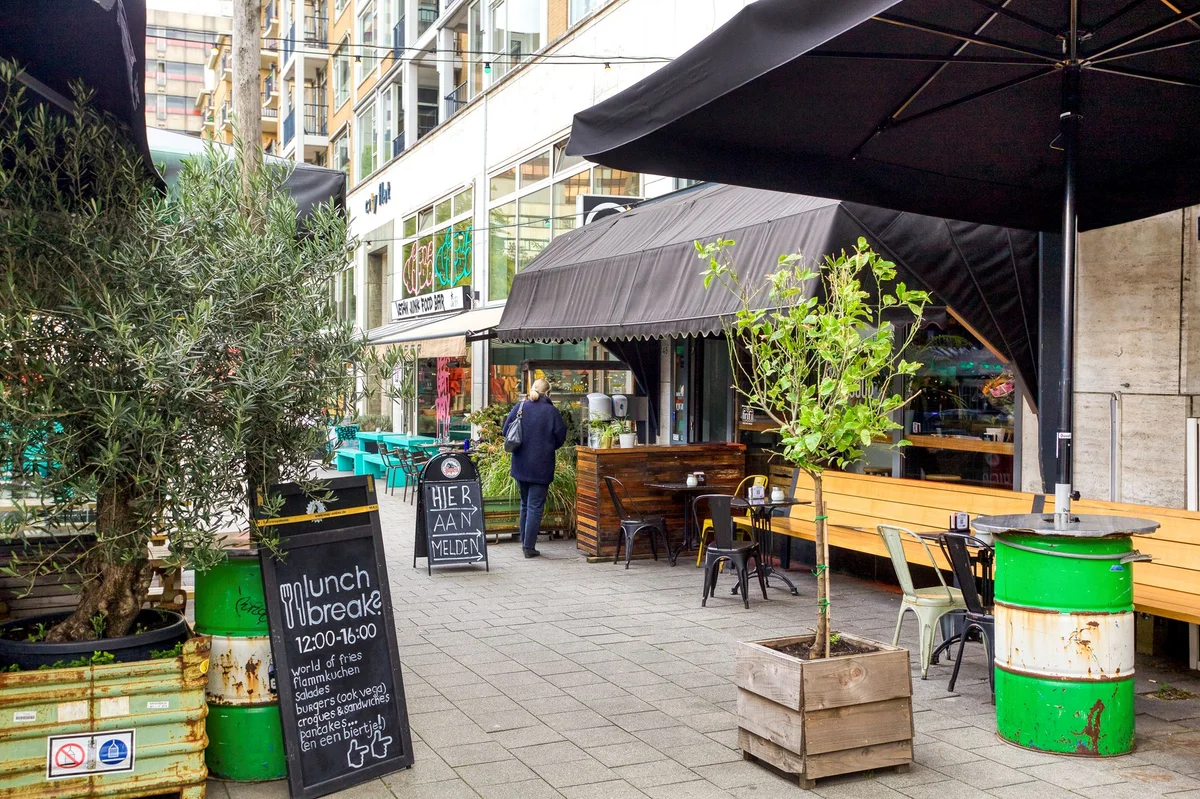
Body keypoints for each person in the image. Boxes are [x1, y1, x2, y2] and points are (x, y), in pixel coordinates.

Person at [502, 378, 567, 558]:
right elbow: (561, 437)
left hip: (520, 464)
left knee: (525, 504)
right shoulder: (551, 412)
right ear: (548, 393)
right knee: (535, 506)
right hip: (541, 465)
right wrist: (547, 445)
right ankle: (529, 548)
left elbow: (505, 430)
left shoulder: (521, 407)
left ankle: (525, 541)